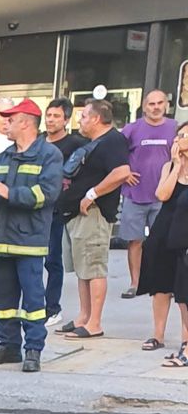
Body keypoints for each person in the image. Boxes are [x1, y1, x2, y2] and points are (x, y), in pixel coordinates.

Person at [0, 98, 62, 373]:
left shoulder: (49, 155)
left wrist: (11, 194)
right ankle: (9, 346)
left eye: (11, 119)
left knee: (34, 301)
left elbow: (47, 194)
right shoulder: (3, 156)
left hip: (28, 242)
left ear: (25, 122)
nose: (6, 123)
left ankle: (33, 349)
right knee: (2, 299)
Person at [54, 99, 134, 340]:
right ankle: (83, 317)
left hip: (95, 214)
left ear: (97, 119)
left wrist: (92, 194)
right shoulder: (95, 143)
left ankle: (95, 323)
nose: (81, 121)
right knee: (83, 269)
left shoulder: (113, 140)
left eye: (84, 116)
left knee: (94, 268)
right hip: (77, 215)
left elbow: (122, 172)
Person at [136, 121, 188, 367]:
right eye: (179, 135)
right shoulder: (170, 166)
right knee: (161, 285)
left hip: (184, 232)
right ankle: (158, 334)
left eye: (186, 135)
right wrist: (177, 165)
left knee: (184, 290)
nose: (180, 139)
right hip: (164, 229)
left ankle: (186, 341)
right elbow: (162, 195)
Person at [119, 88, 177, 301]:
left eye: (159, 103)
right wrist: (123, 173)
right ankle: (135, 283)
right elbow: (115, 152)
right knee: (134, 241)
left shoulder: (175, 128)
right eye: (151, 104)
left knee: (163, 242)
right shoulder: (131, 129)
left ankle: (163, 284)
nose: (156, 108)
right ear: (144, 107)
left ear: (166, 106)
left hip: (165, 196)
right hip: (135, 194)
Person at [41, 99, 83, 325]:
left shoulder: (75, 144)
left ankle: (53, 308)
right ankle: (35, 305)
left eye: (56, 116)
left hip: (59, 210)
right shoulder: (39, 142)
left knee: (53, 260)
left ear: (66, 120)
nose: (50, 120)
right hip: (37, 208)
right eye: (48, 115)